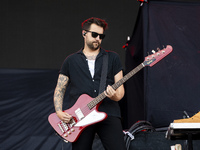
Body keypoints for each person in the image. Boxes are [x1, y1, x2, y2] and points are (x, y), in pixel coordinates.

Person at [53, 17, 126, 150]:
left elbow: (120, 93)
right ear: (84, 33)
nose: (98, 38)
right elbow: (60, 89)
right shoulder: (71, 61)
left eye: (101, 35)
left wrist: (113, 95)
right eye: (94, 34)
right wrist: (59, 111)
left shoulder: (112, 58)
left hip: (108, 112)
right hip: (79, 116)